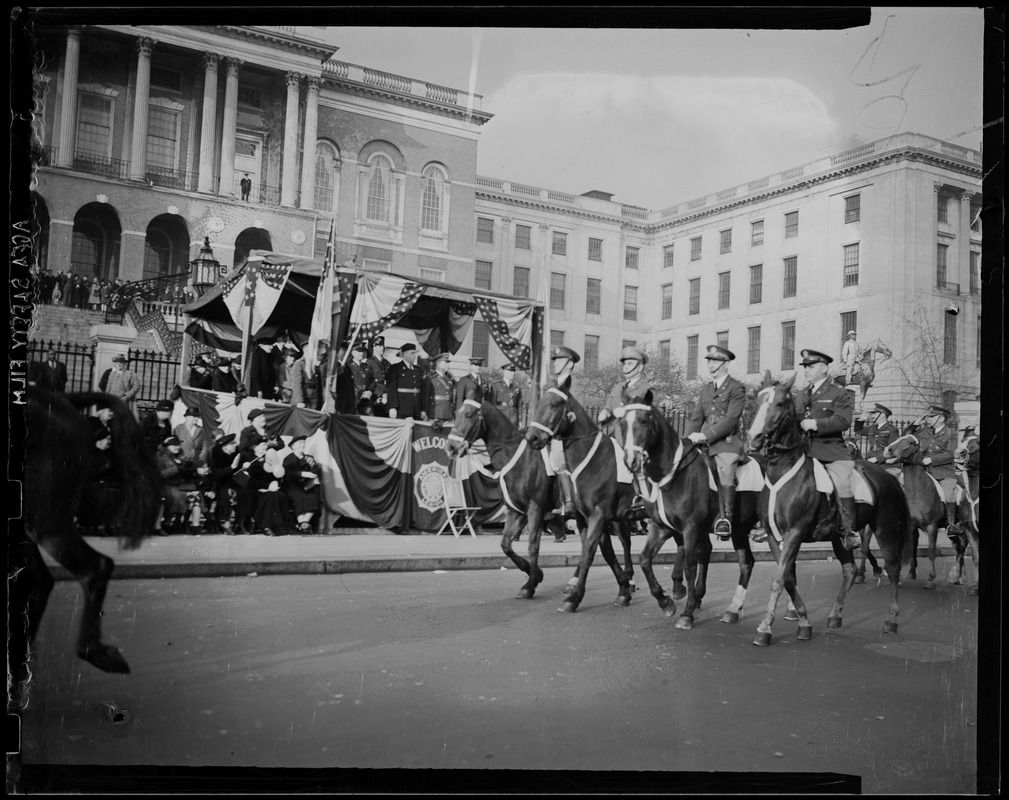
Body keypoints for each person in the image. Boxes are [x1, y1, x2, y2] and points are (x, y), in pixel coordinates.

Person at [795, 349, 860, 550]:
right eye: (804, 366)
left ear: (824, 368)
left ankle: (849, 530)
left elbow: (843, 420)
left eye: (811, 366)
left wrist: (815, 424)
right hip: (803, 451)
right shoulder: (802, 394)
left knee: (842, 482)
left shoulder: (838, 393)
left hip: (830, 450)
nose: (806, 370)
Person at [685, 345, 746, 540]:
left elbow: (731, 420)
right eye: (709, 361)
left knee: (726, 470)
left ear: (726, 364)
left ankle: (725, 519)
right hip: (703, 443)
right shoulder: (706, 389)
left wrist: (706, 435)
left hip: (726, 442)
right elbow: (696, 418)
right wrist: (686, 440)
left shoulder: (736, 388)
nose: (711, 365)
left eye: (715, 361)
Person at [597, 346, 654, 519]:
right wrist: (605, 413)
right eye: (625, 363)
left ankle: (643, 497)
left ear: (640, 367)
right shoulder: (617, 388)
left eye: (630, 363)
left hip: (636, 439)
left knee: (638, 466)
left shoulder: (647, 388)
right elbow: (608, 408)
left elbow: (651, 415)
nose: (626, 367)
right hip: (616, 437)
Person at [902, 404, 962, 539]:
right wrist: (914, 425)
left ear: (941, 418)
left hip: (943, 472)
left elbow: (951, 454)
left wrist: (931, 460)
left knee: (948, 494)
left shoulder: (951, 433)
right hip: (923, 471)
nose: (928, 419)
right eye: (928, 417)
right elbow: (905, 437)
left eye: (932, 417)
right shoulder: (923, 431)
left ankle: (951, 525)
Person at [548, 346, 581, 528]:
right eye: (554, 360)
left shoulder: (576, 385)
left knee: (560, 464)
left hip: (567, 437)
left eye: (559, 360)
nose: (555, 364)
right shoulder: (551, 384)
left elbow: (577, 415)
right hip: (549, 435)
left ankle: (570, 503)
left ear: (569, 364)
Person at [77, 420, 123, 536]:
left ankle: (111, 523)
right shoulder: (87, 454)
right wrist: (106, 467)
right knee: (106, 494)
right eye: (107, 439)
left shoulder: (105, 453)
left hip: (101, 483)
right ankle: (101, 525)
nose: (110, 442)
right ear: (99, 441)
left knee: (121, 491)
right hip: (88, 485)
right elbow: (88, 474)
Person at [242, 435, 289, 536]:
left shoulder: (269, 458)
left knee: (280, 495)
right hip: (254, 490)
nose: (265, 447)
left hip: (271, 489)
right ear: (255, 447)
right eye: (262, 445)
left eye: (265, 445)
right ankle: (266, 526)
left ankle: (278, 525)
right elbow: (249, 481)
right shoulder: (249, 460)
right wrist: (267, 486)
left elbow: (277, 473)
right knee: (271, 496)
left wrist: (276, 482)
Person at [157, 435, 197, 534]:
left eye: (178, 444)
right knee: (176, 496)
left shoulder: (181, 456)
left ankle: (179, 522)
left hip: (181, 484)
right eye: (174, 445)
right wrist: (177, 469)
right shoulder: (160, 456)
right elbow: (160, 474)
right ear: (167, 446)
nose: (178, 447)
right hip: (166, 484)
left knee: (193, 495)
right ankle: (167, 523)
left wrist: (188, 469)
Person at [282, 435, 322, 533]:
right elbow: (287, 474)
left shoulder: (308, 458)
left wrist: (313, 466)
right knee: (300, 498)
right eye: (300, 443)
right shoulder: (289, 459)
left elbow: (316, 470)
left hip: (306, 486)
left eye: (303, 442)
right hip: (292, 486)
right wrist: (302, 473)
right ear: (293, 446)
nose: (302, 444)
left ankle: (303, 524)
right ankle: (303, 525)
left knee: (313, 497)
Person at [210, 433, 247, 535]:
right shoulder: (217, 456)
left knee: (245, 493)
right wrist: (232, 467)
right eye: (233, 444)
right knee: (227, 493)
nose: (235, 445)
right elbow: (217, 475)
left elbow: (240, 473)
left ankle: (241, 523)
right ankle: (226, 523)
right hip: (220, 485)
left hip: (236, 483)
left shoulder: (237, 454)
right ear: (225, 447)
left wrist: (244, 468)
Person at [386, 342, 423, 420]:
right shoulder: (395, 368)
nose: (414, 356)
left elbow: (421, 391)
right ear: (404, 354)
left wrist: (422, 409)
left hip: (416, 409)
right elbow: (391, 389)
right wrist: (392, 407)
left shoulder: (418, 370)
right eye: (412, 353)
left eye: (415, 353)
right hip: (402, 409)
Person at [291, 342, 329, 410]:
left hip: (315, 401)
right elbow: (296, 385)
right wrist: (300, 401)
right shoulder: (299, 364)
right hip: (305, 402)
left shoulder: (315, 366)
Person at [421, 352, 455, 424]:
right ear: (438, 363)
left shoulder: (449, 380)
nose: (448, 365)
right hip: (435, 413)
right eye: (446, 362)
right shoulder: (430, 379)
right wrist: (424, 411)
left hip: (448, 413)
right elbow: (425, 397)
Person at [365, 336, 389, 416]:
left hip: (386, 396)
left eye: (383, 346)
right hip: (374, 396)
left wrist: (386, 394)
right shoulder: (369, 362)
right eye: (379, 346)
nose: (382, 348)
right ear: (374, 347)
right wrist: (379, 394)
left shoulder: (387, 363)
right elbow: (368, 382)